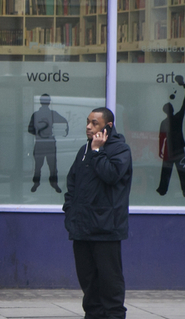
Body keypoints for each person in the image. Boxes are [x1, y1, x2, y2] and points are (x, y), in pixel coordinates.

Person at [63, 107, 132, 319]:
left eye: (94, 123)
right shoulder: (84, 150)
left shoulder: (120, 150)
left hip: (106, 229)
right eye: (88, 122)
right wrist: (70, 211)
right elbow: (72, 183)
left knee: (110, 285)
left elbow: (111, 175)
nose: (88, 127)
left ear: (108, 127)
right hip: (82, 229)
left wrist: (97, 151)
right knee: (89, 284)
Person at [28, 94, 69, 193]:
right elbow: (64, 122)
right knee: (52, 165)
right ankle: (53, 183)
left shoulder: (36, 114)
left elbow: (30, 129)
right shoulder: (52, 114)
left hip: (40, 142)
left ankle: (36, 183)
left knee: (38, 165)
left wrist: (38, 133)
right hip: (49, 142)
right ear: (49, 102)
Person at [156, 80, 185, 197]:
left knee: (167, 170)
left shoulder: (165, 122)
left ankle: (163, 189)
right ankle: (184, 190)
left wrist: (160, 150)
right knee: (180, 170)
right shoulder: (176, 118)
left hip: (171, 149)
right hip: (176, 148)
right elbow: (162, 137)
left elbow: (162, 138)